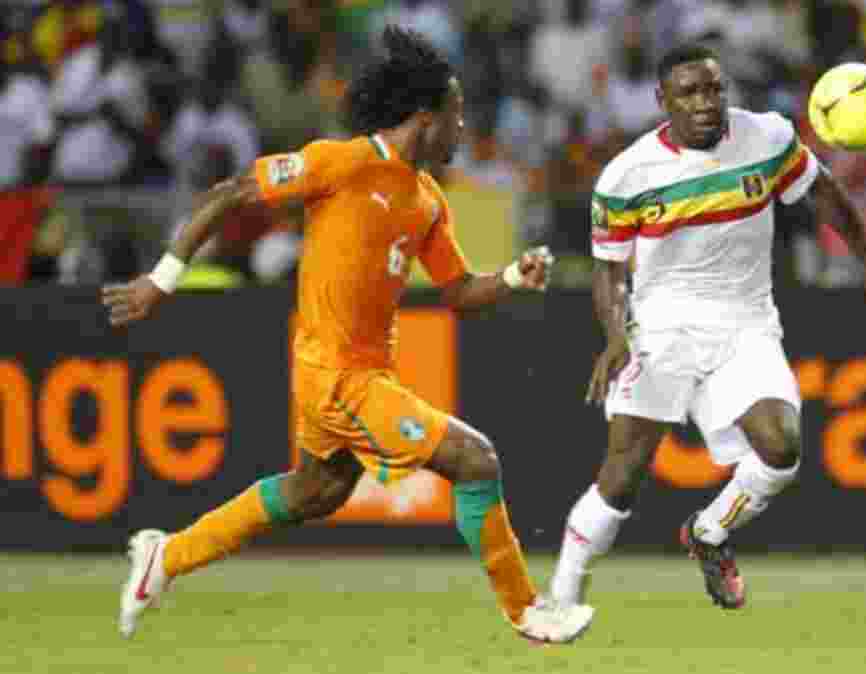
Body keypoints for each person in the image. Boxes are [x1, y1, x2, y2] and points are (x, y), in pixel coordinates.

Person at [103, 26, 593, 645]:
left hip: (355, 373)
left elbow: (460, 293)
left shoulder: (427, 200)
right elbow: (231, 193)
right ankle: (528, 610)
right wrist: (161, 280)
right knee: (476, 461)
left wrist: (515, 278)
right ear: (425, 118)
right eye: (457, 116)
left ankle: (165, 557)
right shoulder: (342, 162)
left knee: (317, 492)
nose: (463, 130)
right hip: (338, 377)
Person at [547, 44, 866, 612]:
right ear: (662, 101)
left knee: (781, 448)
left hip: (745, 324)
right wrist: (616, 333)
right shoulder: (627, 175)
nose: (705, 103)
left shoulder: (766, 138)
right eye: (689, 92)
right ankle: (561, 597)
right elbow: (610, 273)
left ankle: (709, 532)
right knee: (622, 476)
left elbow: (825, 194)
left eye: (714, 89)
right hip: (661, 327)